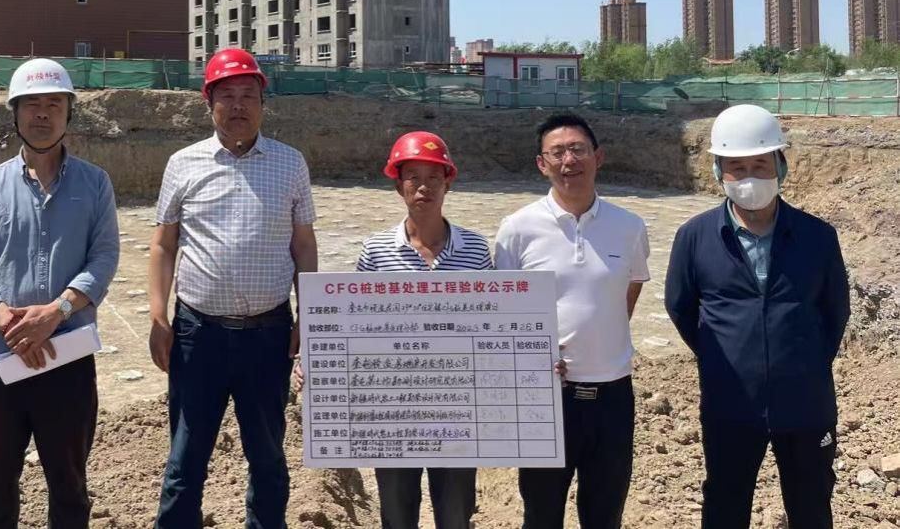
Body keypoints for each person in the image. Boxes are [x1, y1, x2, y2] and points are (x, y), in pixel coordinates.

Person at [148, 48, 319, 529]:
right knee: (185, 459)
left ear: (263, 103)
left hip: (268, 336)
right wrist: (158, 316)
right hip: (197, 335)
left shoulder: (290, 163)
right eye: (227, 95)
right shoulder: (183, 164)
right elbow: (162, 244)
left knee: (267, 457)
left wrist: (309, 315)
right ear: (209, 104)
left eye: (249, 95)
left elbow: (304, 245)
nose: (239, 105)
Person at [0, 58, 121, 529]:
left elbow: (104, 258)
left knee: (69, 490)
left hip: (66, 361)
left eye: (53, 104)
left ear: (69, 113)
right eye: (31, 104)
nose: (42, 114)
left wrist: (57, 312)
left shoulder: (95, 184)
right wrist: (9, 323)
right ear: (15, 112)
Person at [665, 104, 850, 529]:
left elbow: (834, 312)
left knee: (811, 506)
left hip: (806, 404)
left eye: (760, 165)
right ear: (718, 172)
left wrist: (800, 361)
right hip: (730, 403)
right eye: (737, 167)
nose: (749, 177)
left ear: (780, 166)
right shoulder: (694, 237)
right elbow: (681, 307)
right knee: (725, 507)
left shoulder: (818, 237)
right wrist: (725, 356)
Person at [494, 112, 650, 529]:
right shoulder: (517, 229)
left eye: (578, 149)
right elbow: (504, 312)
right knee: (541, 513)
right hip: (545, 399)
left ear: (598, 157)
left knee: (605, 514)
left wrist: (599, 340)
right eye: (557, 152)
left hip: (613, 396)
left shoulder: (629, 227)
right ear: (541, 164)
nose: (569, 161)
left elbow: (628, 293)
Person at [356, 131, 494, 529]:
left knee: (455, 514)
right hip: (392, 407)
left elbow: (491, 324)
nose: (424, 187)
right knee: (397, 514)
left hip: (457, 406)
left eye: (434, 177)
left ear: (448, 182)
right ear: (398, 185)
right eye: (413, 177)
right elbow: (355, 326)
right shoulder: (376, 251)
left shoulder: (475, 250)